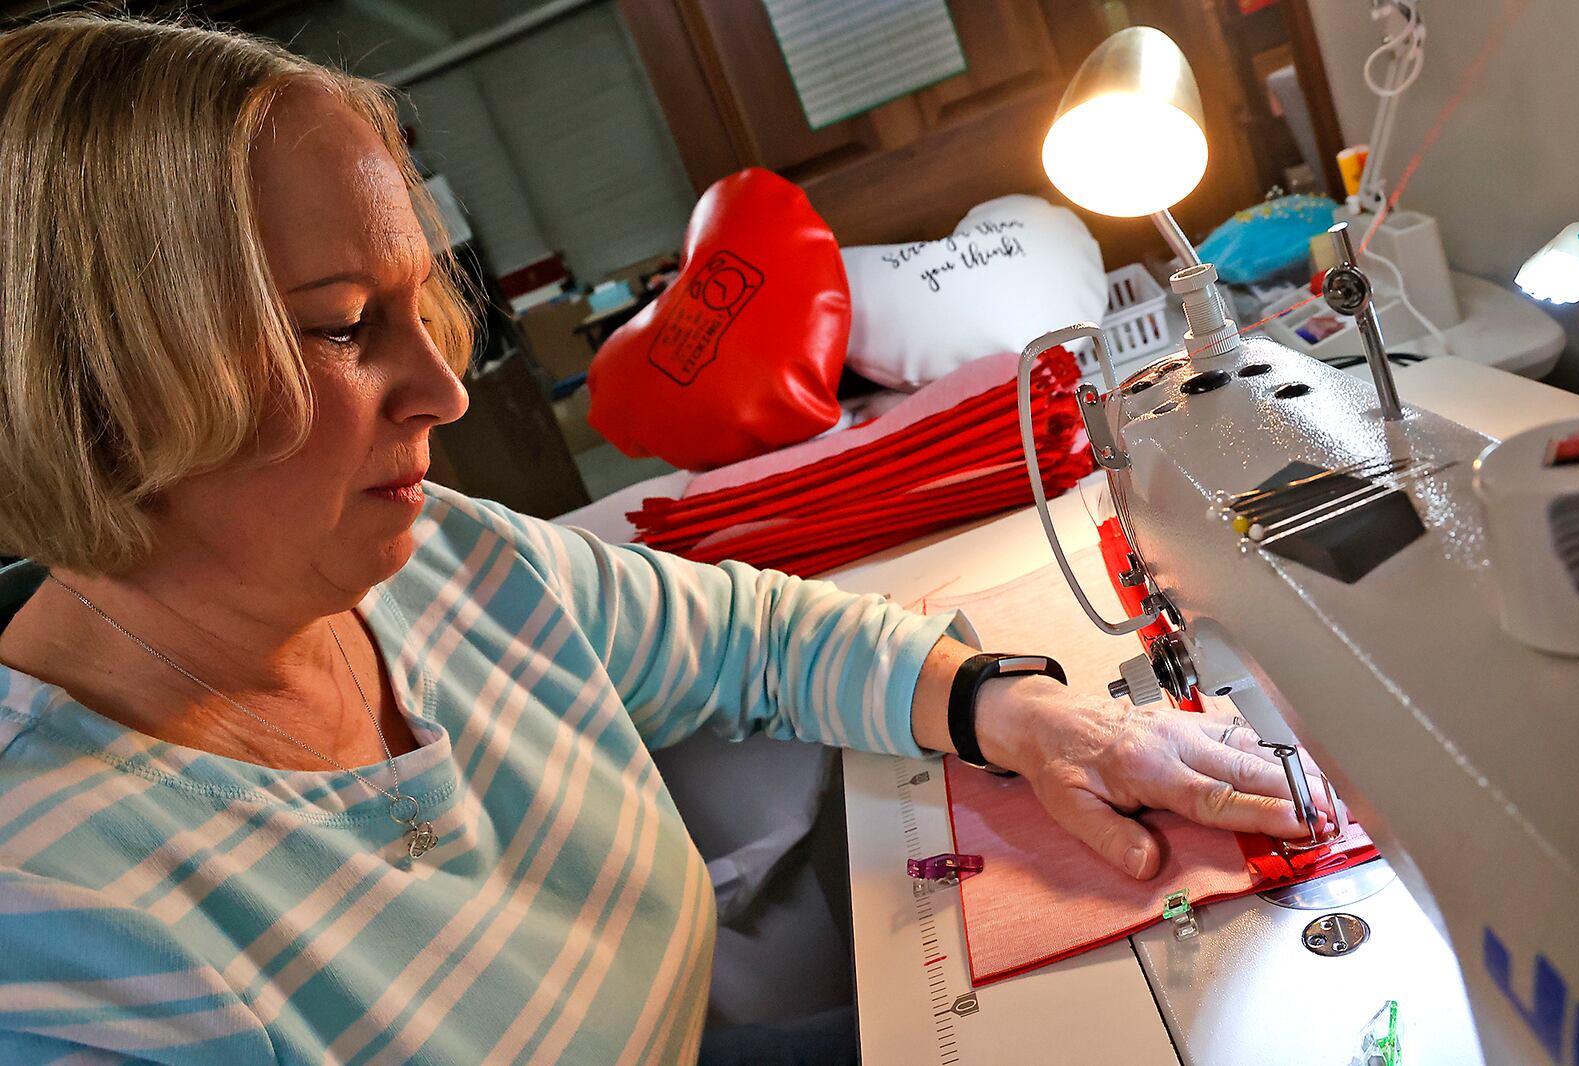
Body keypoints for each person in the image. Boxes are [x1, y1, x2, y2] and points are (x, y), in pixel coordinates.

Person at [0, 15, 1324, 1065]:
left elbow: (759, 635)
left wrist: (1030, 717)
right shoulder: (57, 922)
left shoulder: (453, 559)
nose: (447, 394)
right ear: (98, 386)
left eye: (421, 304)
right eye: (345, 324)